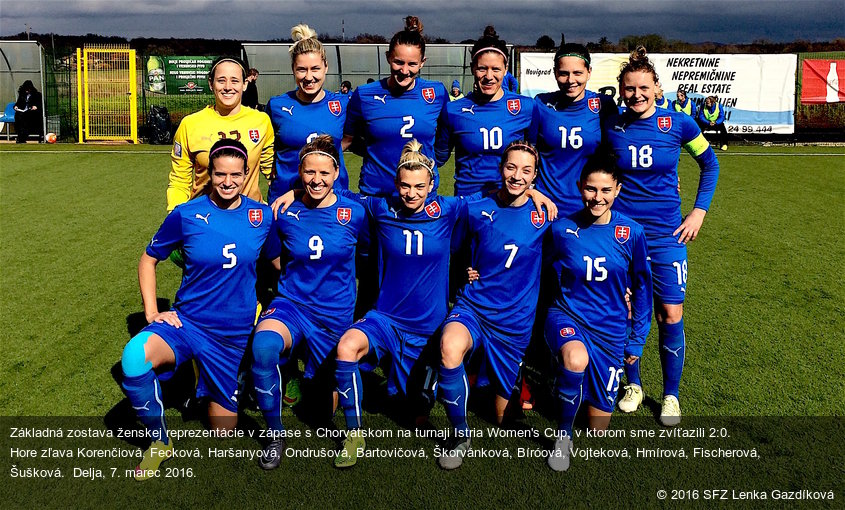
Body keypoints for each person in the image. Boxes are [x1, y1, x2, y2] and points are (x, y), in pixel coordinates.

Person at [325, 140, 555, 469]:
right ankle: (355, 434)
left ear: (432, 185)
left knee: (466, 415)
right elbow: (336, 195)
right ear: (395, 183)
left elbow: (499, 204)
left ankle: (479, 395)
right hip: (385, 318)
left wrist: (534, 192)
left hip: (429, 323)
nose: (411, 193)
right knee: (347, 347)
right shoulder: (380, 208)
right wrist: (294, 193)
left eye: (420, 186)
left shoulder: (450, 209)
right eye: (404, 185)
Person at [120, 139, 272, 480]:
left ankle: (220, 377)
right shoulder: (186, 214)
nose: (228, 182)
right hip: (187, 322)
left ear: (246, 174)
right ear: (209, 174)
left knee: (223, 429)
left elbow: (278, 261)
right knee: (133, 358)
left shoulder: (262, 217)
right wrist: (151, 313)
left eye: (235, 174)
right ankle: (159, 443)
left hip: (233, 336)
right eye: (220, 174)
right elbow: (148, 260)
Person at [605, 46, 719, 426]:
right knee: (625, 309)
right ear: (621, 90)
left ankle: (671, 395)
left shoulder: (680, 124)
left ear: (657, 87)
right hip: (622, 235)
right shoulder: (614, 127)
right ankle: (632, 385)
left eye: (643, 88)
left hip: (668, 235)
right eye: (629, 89)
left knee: (670, 313)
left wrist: (698, 212)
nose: (636, 95)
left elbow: (710, 163)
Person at [251, 136, 365, 470]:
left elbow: (374, 252)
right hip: (292, 304)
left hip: (333, 314)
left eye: (324, 173)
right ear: (299, 172)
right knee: (264, 345)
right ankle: (275, 434)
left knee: (319, 411)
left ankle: (353, 432)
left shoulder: (355, 212)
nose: (316, 179)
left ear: (337, 172)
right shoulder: (284, 211)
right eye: (309, 172)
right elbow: (272, 256)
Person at [435, 141, 551, 470]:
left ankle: (504, 385)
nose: (517, 175)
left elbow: (578, 247)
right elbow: (452, 248)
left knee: (503, 419)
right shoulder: (476, 207)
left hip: (514, 319)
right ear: (501, 168)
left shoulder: (546, 215)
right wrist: (463, 272)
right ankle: (459, 435)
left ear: (535, 175)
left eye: (526, 170)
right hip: (474, 305)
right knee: (450, 346)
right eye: (511, 167)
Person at [543, 153, 652, 472]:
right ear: (580, 187)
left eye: (605, 190)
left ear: (618, 190)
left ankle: (561, 381)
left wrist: (636, 340)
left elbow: (643, 287)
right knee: (575, 358)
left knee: (598, 426)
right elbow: (536, 266)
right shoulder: (563, 229)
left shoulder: (631, 233)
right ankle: (562, 439)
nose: (597, 197)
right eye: (591, 189)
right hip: (567, 315)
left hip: (610, 328)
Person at [343, 16, 448, 197]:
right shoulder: (364, 94)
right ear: (388, 57)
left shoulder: (436, 93)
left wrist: (432, 162)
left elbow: (446, 137)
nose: (405, 70)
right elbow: (349, 139)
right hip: (376, 194)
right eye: (398, 62)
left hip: (422, 197)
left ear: (422, 62)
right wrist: (374, 155)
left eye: (412, 64)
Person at [435, 25, 534, 196]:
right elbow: (437, 157)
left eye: (495, 69)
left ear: (506, 69)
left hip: (511, 204)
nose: (489, 76)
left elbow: (537, 157)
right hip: (468, 204)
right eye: (482, 68)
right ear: (473, 68)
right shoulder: (453, 110)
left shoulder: (526, 107)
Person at [168, 56, 274, 213]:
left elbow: (273, 172)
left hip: (249, 219)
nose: (228, 87)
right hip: (205, 218)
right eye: (221, 80)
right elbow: (179, 179)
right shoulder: (190, 124)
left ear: (245, 84)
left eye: (235, 80)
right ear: (211, 84)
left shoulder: (261, 121)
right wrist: (175, 214)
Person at [529, 41, 617, 214]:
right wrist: (530, 190)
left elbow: (621, 150)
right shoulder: (540, 104)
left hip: (589, 207)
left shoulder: (603, 105)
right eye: (563, 73)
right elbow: (528, 153)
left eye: (578, 73)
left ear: (589, 72)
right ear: (555, 73)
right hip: (545, 205)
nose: (571, 80)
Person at [265, 25, 350, 204]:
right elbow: (267, 148)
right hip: (284, 199)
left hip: (332, 200)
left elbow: (351, 139)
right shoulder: (277, 106)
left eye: (315, 68)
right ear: (293, 69)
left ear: (326, 67)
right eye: (302, 69)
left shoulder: (343, 104)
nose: (309, 77)